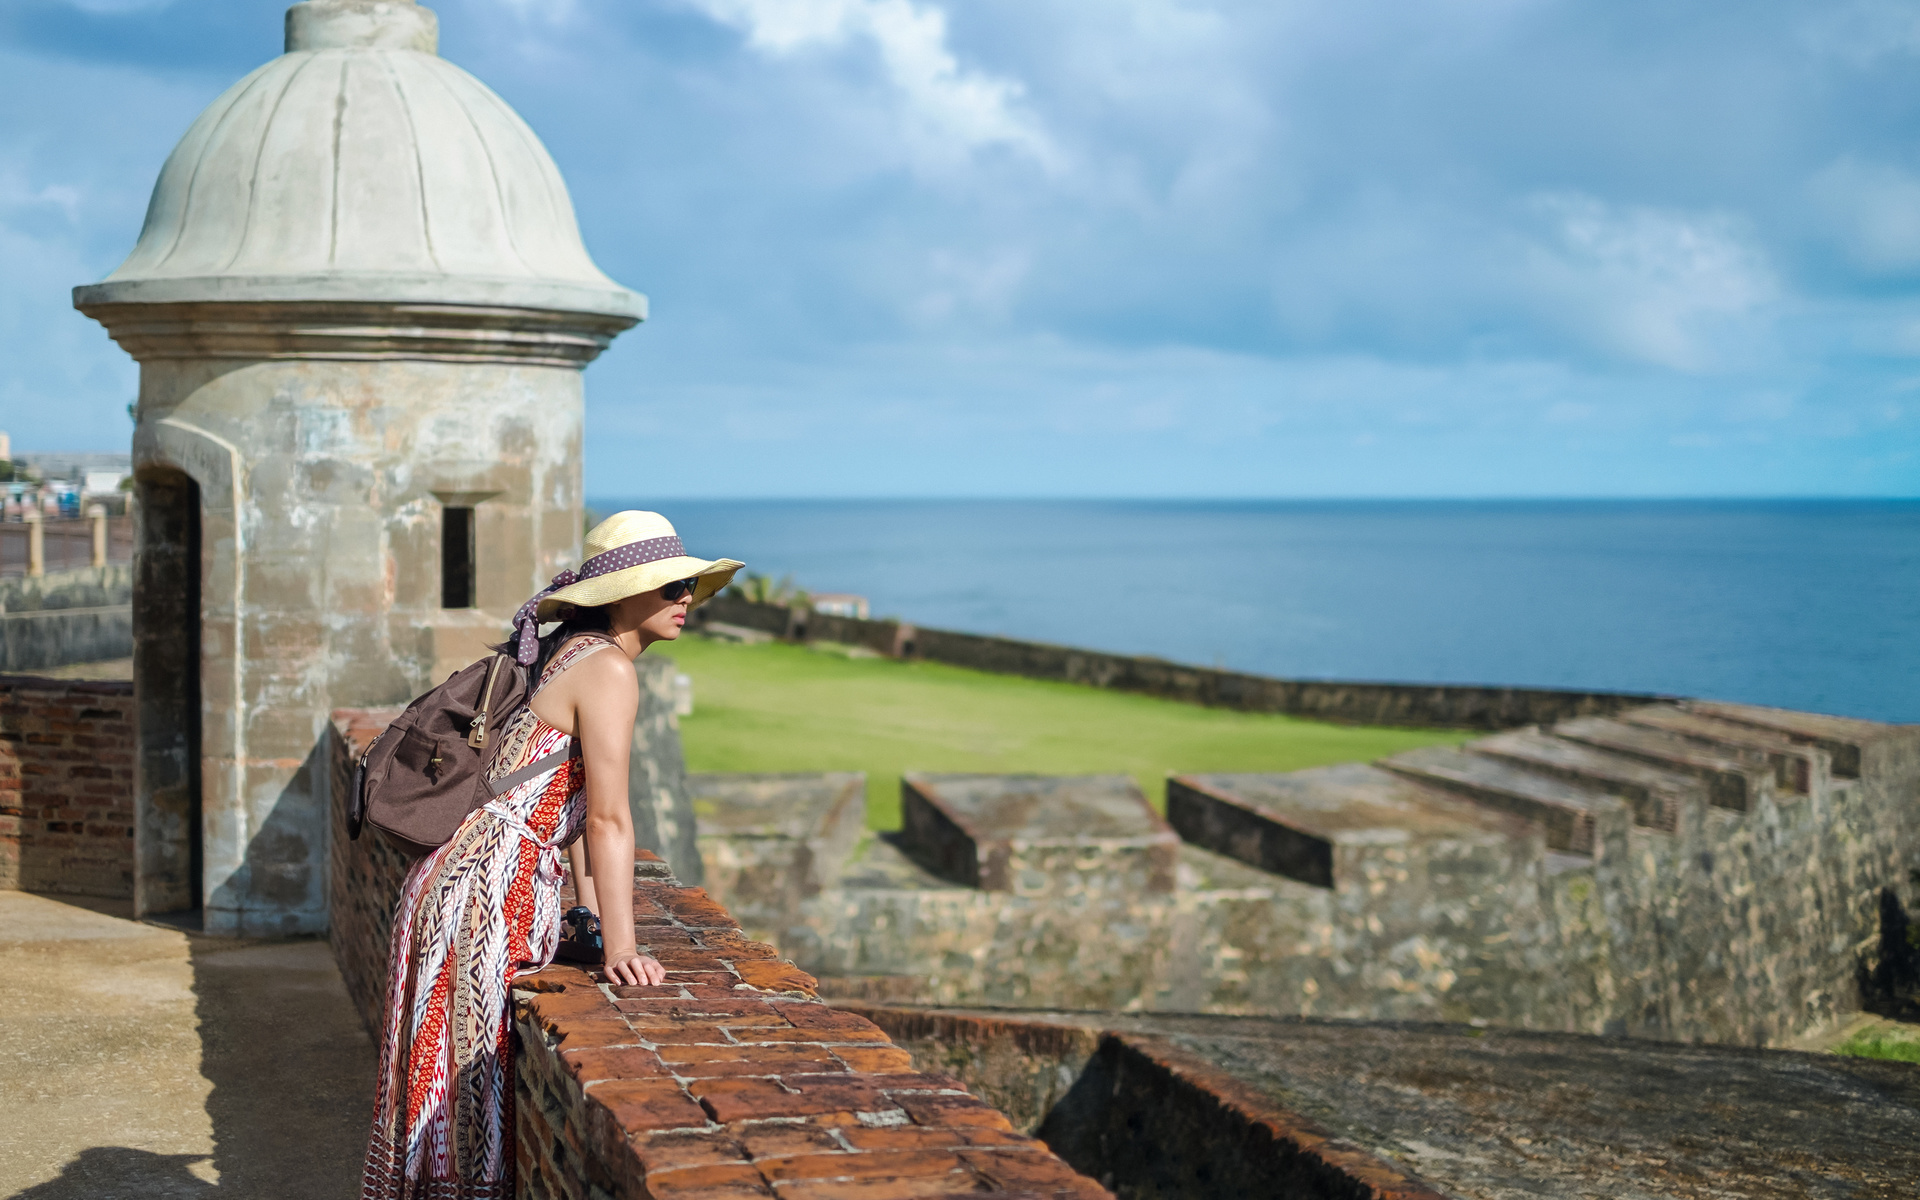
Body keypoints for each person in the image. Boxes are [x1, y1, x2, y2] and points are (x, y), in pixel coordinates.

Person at [361, 510, 741, 1200]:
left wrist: (590, 920)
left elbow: (573, 821)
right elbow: (608, 819)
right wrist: (625, 945)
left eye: (688, 585)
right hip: (485, 896)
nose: (685, 599)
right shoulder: (608, 671)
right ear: (623, 595)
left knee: (436, 1101)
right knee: (465, 1107)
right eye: (669, 587)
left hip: (457, 883)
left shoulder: (570, 651)